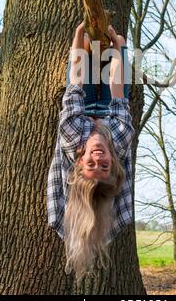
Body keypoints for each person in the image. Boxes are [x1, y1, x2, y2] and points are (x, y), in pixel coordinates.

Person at [47, 22, 134, 280]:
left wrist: (77, 35)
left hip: (81, 102)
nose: (98, 158)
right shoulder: (120, 139)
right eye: (104, 165)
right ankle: (117, 45)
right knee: (119, 41)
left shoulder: (72, 134)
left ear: (80, 161)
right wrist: (118, 50)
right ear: (113, 164)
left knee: (84, 46)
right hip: (110, 105)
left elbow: (74, 82)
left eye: (91, 165)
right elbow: (119, 95)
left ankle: (93, 45)